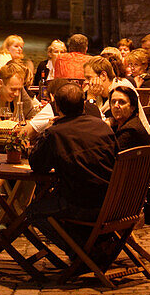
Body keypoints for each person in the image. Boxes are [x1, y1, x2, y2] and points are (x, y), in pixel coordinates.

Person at [23, 82, 119, 223]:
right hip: (112, 202)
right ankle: (93, 243)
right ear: (83, 105)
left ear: (57, 107)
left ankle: (80, 245)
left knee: (32, 212)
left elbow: (37, 165)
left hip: (80, 206)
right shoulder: (102, 126)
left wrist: (48, 131)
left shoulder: (55, 133)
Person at [107, 79, 150, 151]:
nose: (116, 105)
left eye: (122, 102)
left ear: (132, 107)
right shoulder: (120, 124)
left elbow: (109, 155)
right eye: (113, 102)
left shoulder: (130, 131)